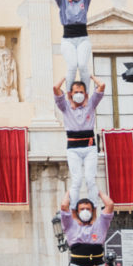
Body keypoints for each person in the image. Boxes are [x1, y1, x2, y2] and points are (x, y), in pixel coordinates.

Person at [53, 76, 107, 206]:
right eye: (76, 92)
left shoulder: (91, 104)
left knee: (90, 179)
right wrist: (66, 77)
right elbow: (55, 88)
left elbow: (102, 85)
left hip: (89, 148)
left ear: (86, 94)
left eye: (81, 92)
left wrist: (91, 77)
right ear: (70, 93)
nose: (78, 95)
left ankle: (93, 206)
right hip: (73, 149)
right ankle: (73, 208)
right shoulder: (65, 106)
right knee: (76, 180)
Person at [53, 0, 96, 84]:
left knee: (82, 65)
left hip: (82, 37)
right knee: (71, 66)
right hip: (68, 38)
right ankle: (69, 92)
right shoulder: (63, 0)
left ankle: (85, 91)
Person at [59, 190, 114, 266]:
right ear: (77, 212)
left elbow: (110, 205)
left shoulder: (101, 224)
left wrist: (98, 192)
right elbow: (64, 206)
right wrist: (69, 192)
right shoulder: (70, 224)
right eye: (82, 209)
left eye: (88, 209)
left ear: (92, 211)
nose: (85, 211)